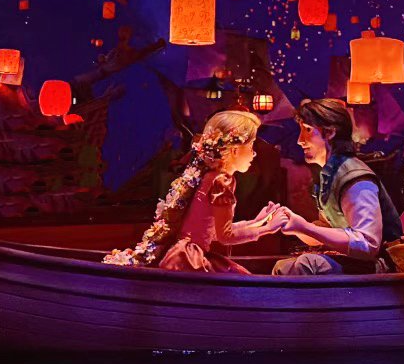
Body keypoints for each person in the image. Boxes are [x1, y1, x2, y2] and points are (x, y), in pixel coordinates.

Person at [103, 110, 285, 272]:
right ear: (235, 150)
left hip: (181, 252)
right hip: (190, 259)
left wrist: (256, 222)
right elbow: (225, 236)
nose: (254, 154)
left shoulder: (208, 175)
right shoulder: (222, 182)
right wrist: (267, 229)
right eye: (251, 146)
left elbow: (212, 231)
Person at [271, 98, 404, 275]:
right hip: (359, 264)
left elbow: (368, 244)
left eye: (308, 130)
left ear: (330, 133)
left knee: (308, 264)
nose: (300, 140)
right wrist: (296, 226)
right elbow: (327, 230)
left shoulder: (356, 178)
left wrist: (306, 228)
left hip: (383, 267)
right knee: (283, 266)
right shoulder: (329, 175)